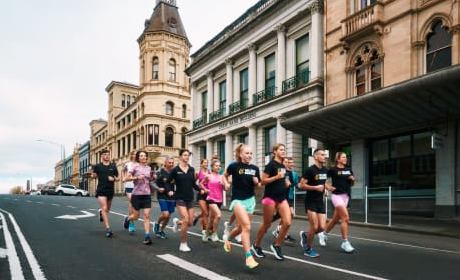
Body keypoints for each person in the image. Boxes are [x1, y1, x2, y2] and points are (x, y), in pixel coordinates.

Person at [222, 143, 260, 269]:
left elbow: (259, 184)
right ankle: (248, 257)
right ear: (240, 154)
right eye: (247, 153)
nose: (249, 155)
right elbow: (224, 176)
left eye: (251, 153)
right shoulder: (234, 165)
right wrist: (226, 184)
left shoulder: (255, 168)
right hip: (238, 200)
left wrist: (257, 182)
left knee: (240, 228)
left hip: (250, 200)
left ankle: (228, 238)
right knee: (247, 227)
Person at [252, 144, 291, 261]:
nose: (283, 151)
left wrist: (286, 182)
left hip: (282, 198)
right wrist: (276, 177)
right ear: (274, 151)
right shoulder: (271, 165)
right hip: (270, 198)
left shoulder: (283, 165)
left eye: (284, 149)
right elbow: (262, 181)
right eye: (281, 150)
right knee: (267, 224)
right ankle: (256, 245)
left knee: (287, 222)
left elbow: (284, 177)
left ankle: (277, 245)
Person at [299, 148, 335, 258]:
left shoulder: (325, 169)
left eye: (325, 155)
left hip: (320, 201)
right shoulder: (310, 170)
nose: (324, 156)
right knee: (314, 226)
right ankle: (308, 249)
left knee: (322, 228)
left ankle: (305, 235)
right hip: (310, 201)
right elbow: (301, 185)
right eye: (322, 155)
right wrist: (315, 187)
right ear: (316, 157)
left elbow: (323, 182)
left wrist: (326, 188)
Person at [319, 152, 355, 253]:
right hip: (336, 196)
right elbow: (322, 179)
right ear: (338, 159)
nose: (345, 159)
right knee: (345, 218)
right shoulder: (333, 170)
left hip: (346, 196)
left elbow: (351, 184)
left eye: (346, 157)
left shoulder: (349, 169)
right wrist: (328, 187)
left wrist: (353, 180)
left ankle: (323, 234)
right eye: (343, 157)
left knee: (335, 219)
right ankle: (345, 242)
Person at [165, 149, 201, 252]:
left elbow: (193, 184)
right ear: (180, 157)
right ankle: (183, 243)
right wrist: (169, 191)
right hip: (179, 198)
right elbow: (167, 182)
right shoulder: (175, 170)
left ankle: (177, 223)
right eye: (185, 155)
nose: (187, 157)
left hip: (190, 198)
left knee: (190, 222)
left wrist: (201, 190)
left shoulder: (192, 169)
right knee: (185, 219)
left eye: (188, 155)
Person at [123, 151, 154, 245]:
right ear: (138, 158)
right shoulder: (134, 167)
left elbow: (149, 180)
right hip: (136, 195)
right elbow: (126, 179)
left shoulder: (149, 168)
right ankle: (128, 219)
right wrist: (137, 178)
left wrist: (153, 177)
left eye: (145, 156)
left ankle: (147, 236)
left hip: (146, 195)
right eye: (141, 156)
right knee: (136, 217)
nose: (144, 157)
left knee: (147, 215)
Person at [91, 149, 119, 238]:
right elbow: (93, 176)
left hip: (110, 190)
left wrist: (113, 179)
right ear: (102, 156)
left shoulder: (113, 166)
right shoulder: (98, 166)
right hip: (101, 190)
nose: (107, 156)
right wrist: (93, 175)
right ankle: (108, 229)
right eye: (105, 154)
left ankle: (101, 213)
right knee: (104, 207)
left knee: (107, 210)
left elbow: (118, 178)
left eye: (108, 154)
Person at [272, 157, 297, 243]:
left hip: (289, 196)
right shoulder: (281, 172)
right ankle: (284, 234)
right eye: (287, 162)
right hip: (282, 197)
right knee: (287, 215)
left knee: (287, 216)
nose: (289, 164)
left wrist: (290, 184)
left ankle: (278, 230)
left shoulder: (292, 173)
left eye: (290, 162)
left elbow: (295, 184)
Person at [201, 160, 228, 242]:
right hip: (211, 199)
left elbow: (225, 189)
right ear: (212, 167)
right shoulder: (208, 176)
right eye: (216, 166)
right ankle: (214, 233)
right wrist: (205, 189)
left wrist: (222, 184)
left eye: (219, 166)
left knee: (211, 219)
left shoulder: (222, 177)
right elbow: (201, 184)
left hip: (219, 199)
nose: (218, 167)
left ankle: (206, 233)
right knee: (218, 215)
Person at [153, 156, 176, 239]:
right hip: (162, 195)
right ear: (165, 163)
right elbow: (152, 182)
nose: (171, 164)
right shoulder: (160, 171)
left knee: (168, 216)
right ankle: (157, 223)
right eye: (169, 163)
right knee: (165, 214)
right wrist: (158, 188)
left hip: (171, 195)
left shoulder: (174, 172)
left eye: (172, 163)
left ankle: (162, 231)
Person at [194, 159, 210, 241]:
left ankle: (198, 217)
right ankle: (205, 232)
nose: (206, 164)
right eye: (204, 163)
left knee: (207, 214)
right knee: (205, 213)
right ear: (201, 164)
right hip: (201, 195)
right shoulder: (198, 173)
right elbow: (194, 183)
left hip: (209, 195)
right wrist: (199, 189)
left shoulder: (210, 173)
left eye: (207, 163)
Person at [122, 150, 137, 233]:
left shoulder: (139, 164)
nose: (135, 155)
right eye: (134, 154)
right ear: (131, 155)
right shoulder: (128, 164)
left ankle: (128, 218)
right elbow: (123, 170)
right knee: (131, 202)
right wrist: (124, 178)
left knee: (136, 205)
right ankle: (131, 223)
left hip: (138, 187)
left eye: (136, 154)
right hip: (129, 186)